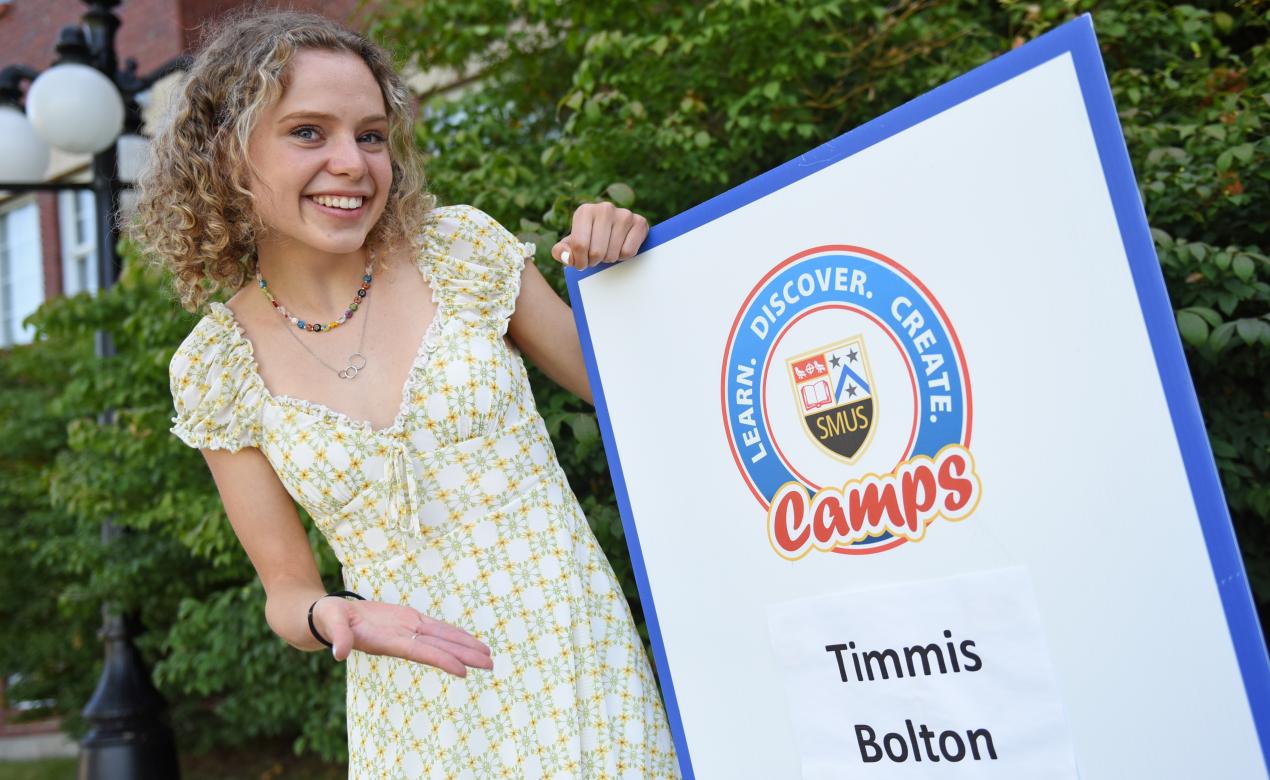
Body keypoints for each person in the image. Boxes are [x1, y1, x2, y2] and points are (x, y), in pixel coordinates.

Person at [133, 9, 680, 778]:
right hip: (418, 710)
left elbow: (634, 395)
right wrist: (332, 616)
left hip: (578, 665)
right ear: (227, 157)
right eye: (307, 133)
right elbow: (287, 592)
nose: (352, 162)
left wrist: (618, 271)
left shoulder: (460, 251)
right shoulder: (216, 369)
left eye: (370, 134)